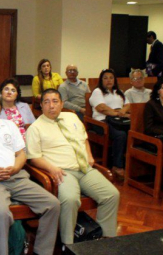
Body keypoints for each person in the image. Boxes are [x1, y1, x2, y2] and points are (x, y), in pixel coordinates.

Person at [0, 89, 60, 255]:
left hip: (16, 177)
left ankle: (42, 252)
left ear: (0, 107)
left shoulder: (9, 125)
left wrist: (16, 168)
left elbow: (21, 154)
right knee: (1, 213)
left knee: (52, 204)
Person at [27, 89, 119, 246]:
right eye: (46, 102)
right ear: (41, 105)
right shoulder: (35, 128)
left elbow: (84, 139)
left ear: (62, 104)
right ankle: (68, 245)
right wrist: (51, 168)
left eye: (55, 101)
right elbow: (33, 157)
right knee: (70, 200)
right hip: (62, 172)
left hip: (83, 168)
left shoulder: (72, 117)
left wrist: (89, 156)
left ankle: (104, 241)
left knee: (111, 195)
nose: (51, 105)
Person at [89, 69, 130, 179]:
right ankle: (117, 166)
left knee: (133, 132)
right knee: (120, 135)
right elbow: (101, 108)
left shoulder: (119, 91)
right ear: (101, 80)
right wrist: (119, 113)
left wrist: (123, 111)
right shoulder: (98, 91)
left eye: (111, 78)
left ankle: (130, 166)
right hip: (101, 122)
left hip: (118, 121)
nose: (109, 80)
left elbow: (127, 105)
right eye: (105, 78)